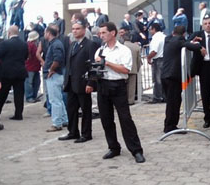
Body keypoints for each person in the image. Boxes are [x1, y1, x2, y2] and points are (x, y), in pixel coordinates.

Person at [95, 22, 145, 163]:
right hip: (103, 85)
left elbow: (125, 70)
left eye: (104, 32)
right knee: (106, 119)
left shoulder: (123, 50)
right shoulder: (100, 50)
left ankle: (136, 150)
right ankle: (113, 147)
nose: (101, 35)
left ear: (113, 33)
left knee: (125, 119)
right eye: (100, 33)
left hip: (118, 86)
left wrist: (107, 63)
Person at [59, 19, 99, 143]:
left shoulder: (90, 44)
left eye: (77, 29)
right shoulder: (72, 44)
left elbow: (93, 65)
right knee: (71, 108)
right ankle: (73, 132)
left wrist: (91, 82)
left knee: (85, 109)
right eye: (73, 29)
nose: (75, 31)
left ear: (84, 30)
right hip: (71, 82)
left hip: (83, 83)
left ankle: (86, 134)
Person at [161, 26, 206, 133]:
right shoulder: (179, 41)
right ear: (184, 34)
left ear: (173, 32)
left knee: (171, 102)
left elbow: (185, 43)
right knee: (174, 102)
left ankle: (170, 124)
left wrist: (190, 41)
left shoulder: (168, 39)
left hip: (165, 75)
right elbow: (190, 46)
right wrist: (200, 47)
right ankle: (170, 126)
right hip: (173, 77)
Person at [0, 25, 29, 120]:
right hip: (20, 71)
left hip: (7, 72)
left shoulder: (5, 43)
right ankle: (18, 114)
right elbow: (26, 56)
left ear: (9, 33)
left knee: (2, 93)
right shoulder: (24, 44)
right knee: (19, 94)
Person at [43, 25, 68, 132]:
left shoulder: (55, 44)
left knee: (54, 100)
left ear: (48, 33)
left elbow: (58, 58)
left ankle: (57, 123)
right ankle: (64, 119)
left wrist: (51, 70)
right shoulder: (56, 43)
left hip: (54, 75)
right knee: (58, 99)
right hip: (56, 74)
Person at [120, 27, 142, 105]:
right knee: (131, 87)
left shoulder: (121, 46)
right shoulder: (136, 47)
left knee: (122, 86)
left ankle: (123, 99)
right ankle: (130, 100)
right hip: (133, 69)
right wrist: (137, 68)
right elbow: (139, 59)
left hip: (122, 68)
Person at [147, 23, 166, 103]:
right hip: (164, 58)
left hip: (158, 60)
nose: (150, 31)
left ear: (154, 29)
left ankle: (157, 97)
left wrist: (148, 57)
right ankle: (164, 96)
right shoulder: (164, 36)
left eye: (150, 29)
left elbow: (154, 51)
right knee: (163, 79)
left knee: (157, 80)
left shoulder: (156, 38)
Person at [24, 30, 41, 103]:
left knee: (36, 82)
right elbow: (27, 55)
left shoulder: (33, 45)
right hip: (30, 67)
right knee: (29, 83)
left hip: (35, 67)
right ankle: (29, 97)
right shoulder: (30, 45)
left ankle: (33, 96)